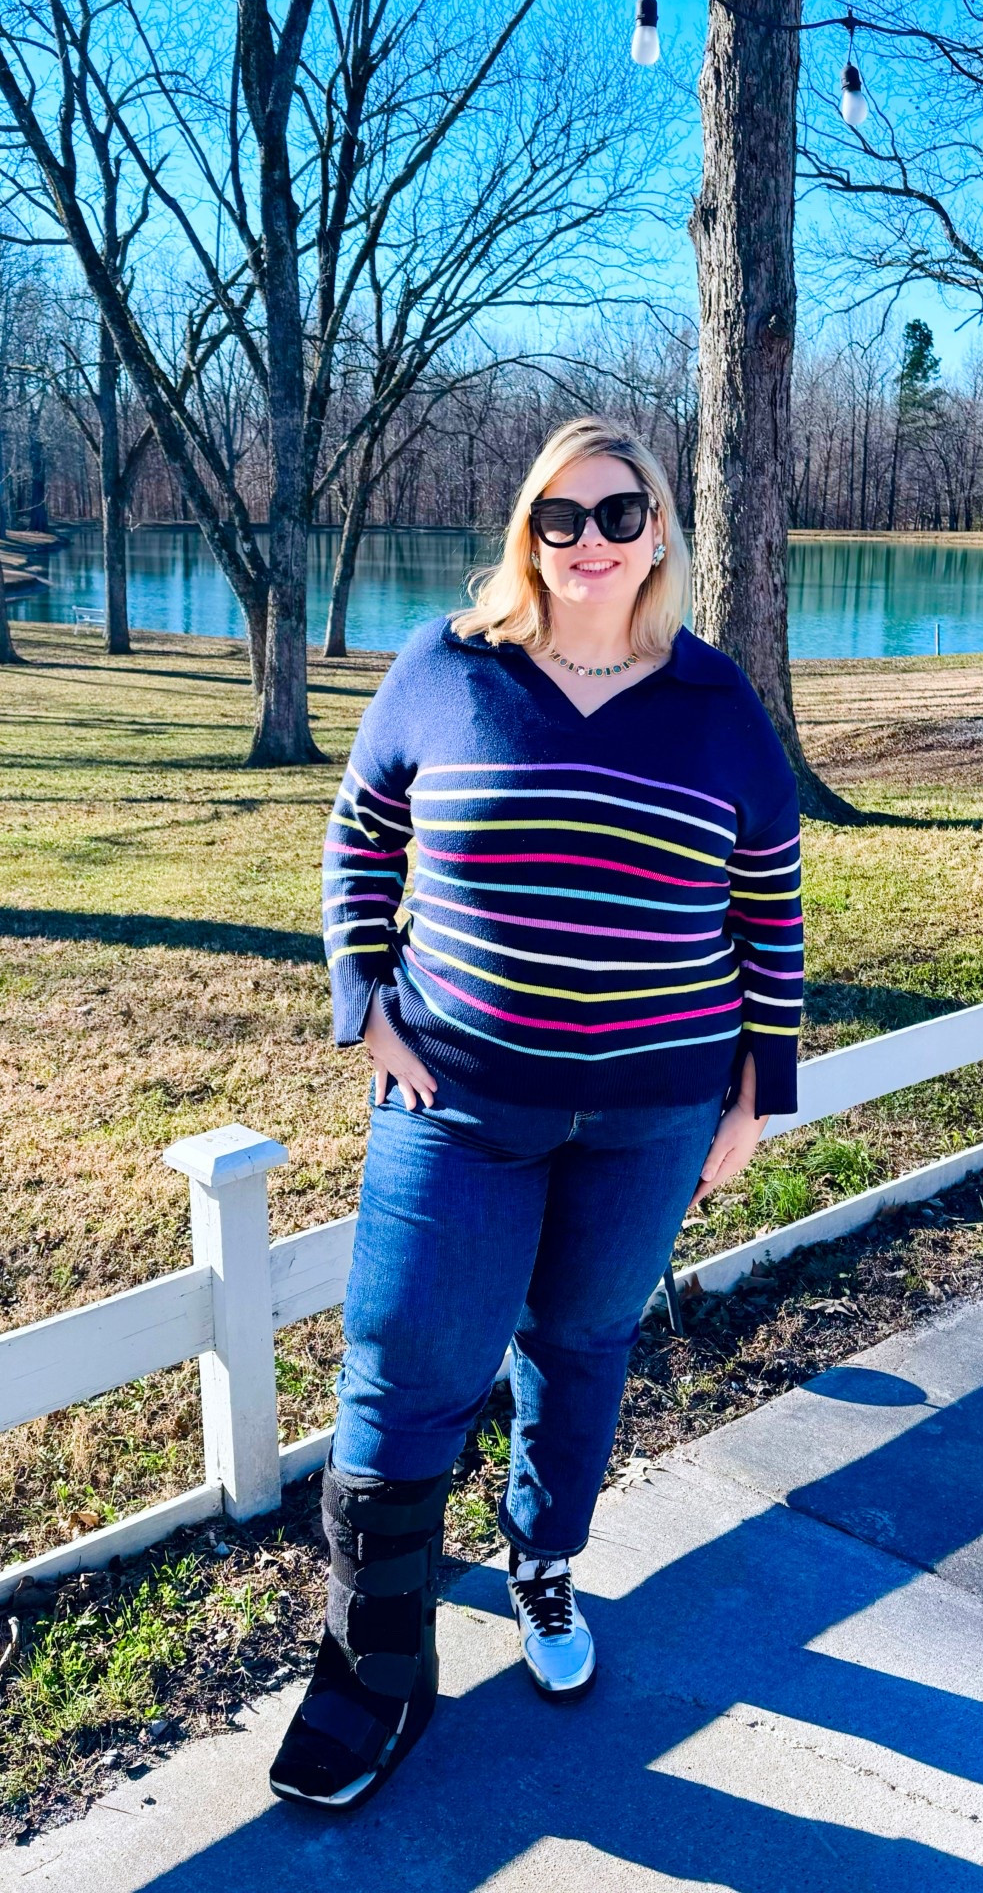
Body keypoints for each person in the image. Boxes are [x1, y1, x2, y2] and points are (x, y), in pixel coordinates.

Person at [270, 417, 803, 1810]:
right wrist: (359, 994)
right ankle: (373, 1664)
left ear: (660, 532)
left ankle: (544, 1572)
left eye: (615, 515)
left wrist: (758, 1096)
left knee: (578, 1345)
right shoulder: (447, 667)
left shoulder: (714, 698)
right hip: (458, 1102)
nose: (585, 544)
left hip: (653, 1115)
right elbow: (360, 829)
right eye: (555, 519)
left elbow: (771, 906)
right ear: (525, 531)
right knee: (404, 1368)